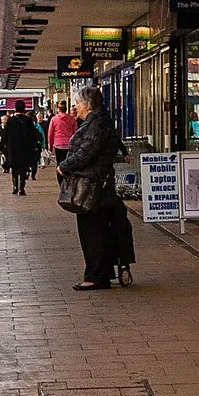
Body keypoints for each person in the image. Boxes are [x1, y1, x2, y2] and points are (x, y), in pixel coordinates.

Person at [61, 87, 124, 290]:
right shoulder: (98, 121)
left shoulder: (96, 124)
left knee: (92, 230)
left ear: (88, 105)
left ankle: (95, 276)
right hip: (98, 183)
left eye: (77, 103)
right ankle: (102, 273)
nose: (75, 107)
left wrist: (65, 165)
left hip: (93, 186)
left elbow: (88, 151)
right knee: (98, 229)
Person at [2, 105, 43, 196]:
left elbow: (5, 134)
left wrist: (1, 146)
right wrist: (35, 146)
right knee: (23, 168)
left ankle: (15, 187)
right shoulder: (28, 120)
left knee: (14, 168)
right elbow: (33, 134)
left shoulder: (10, 120)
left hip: (13, 148)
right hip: (25, 148)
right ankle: (22, 188)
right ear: (24, 109)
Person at [47, 100, 79, 169]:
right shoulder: (72, 119)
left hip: (58, 144)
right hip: (69, 144)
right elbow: (76, 132)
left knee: (59, 163)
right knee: (68, 163)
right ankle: (67, 177)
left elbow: (50, 133)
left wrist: (50, 145)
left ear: (58, 109)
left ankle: (60, 178)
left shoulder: (54, 119)